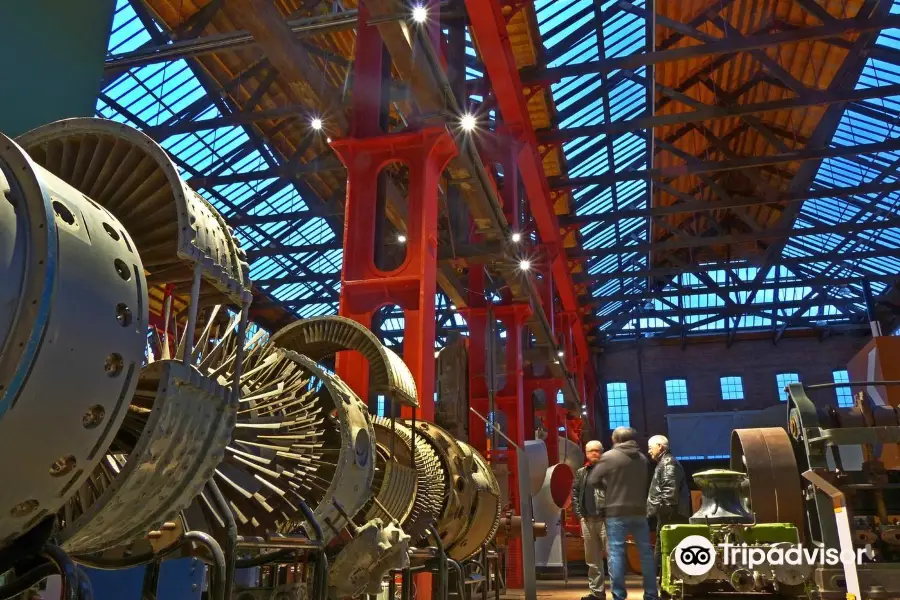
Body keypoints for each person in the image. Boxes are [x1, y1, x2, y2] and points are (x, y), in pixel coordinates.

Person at [587, 427, 658, 600]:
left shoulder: (610, 457)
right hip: (640, 512)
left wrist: (609, 487)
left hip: (616, 512)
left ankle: (619, 595)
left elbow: (593, 480)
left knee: (616, 554)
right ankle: (651, 594)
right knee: (646, 554)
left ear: (615, 439)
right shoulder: (642, 459)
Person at [647, 435, 691, 576]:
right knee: (665, 551)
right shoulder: (667, 463)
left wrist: (662, 513)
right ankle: (662, 586)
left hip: (671, 516)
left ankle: (664, 588)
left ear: (660, 446)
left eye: (650, 447)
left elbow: (669, 493)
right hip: (670, 514)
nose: (649, 451)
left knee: (666, 551)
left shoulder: (667, 464)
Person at [572, 440, 607, 600]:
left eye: (597, 450)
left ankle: (618, 592)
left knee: (614, 559)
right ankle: (597, 593)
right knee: (592, 561)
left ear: (602, 452)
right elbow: (575, 493)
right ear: (586, 453)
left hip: (606, 520)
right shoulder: (581, 472)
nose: (594, 453)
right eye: (591, 451)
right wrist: (580, 516)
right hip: (587, 520)